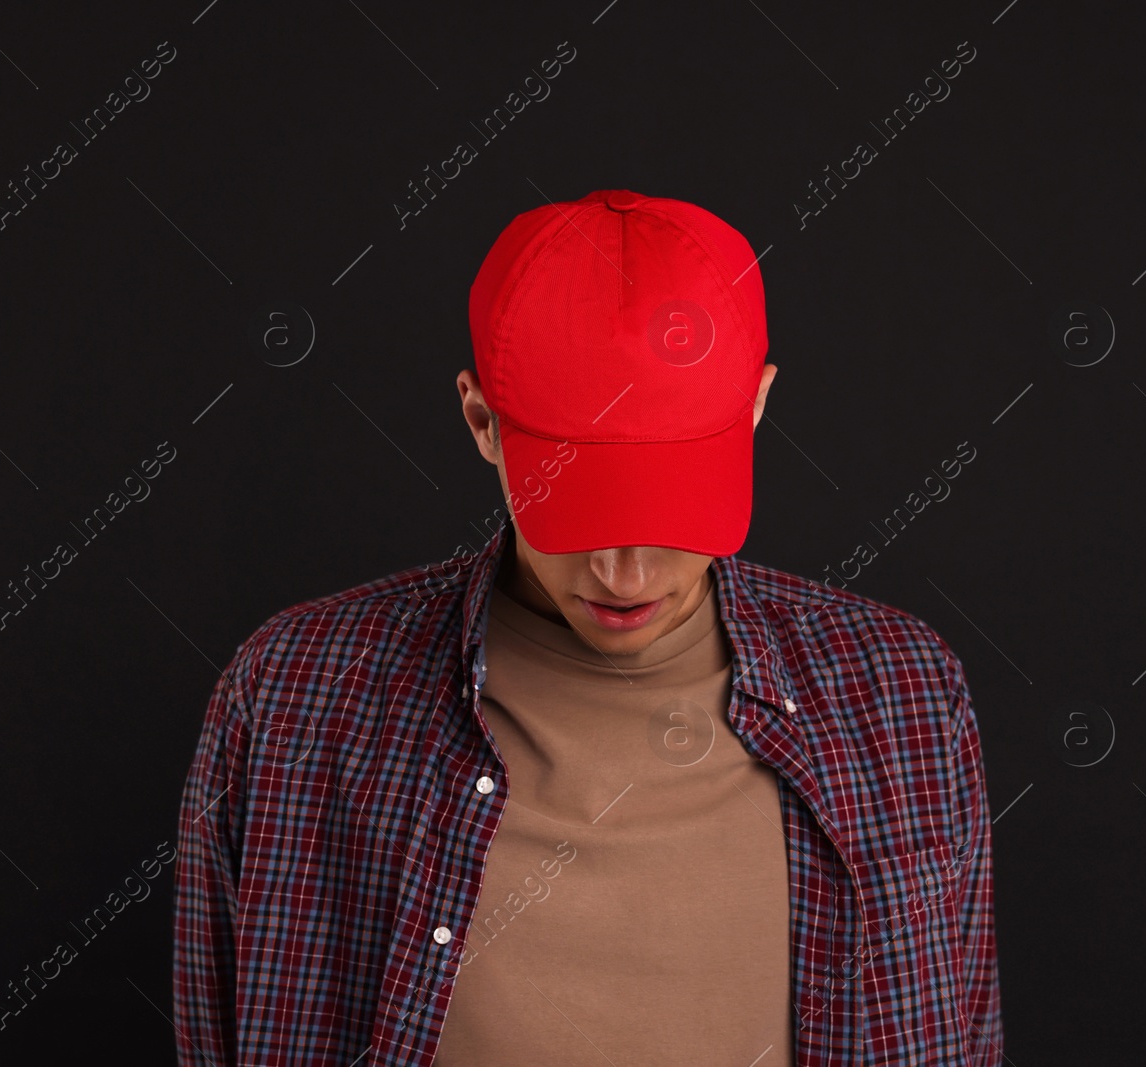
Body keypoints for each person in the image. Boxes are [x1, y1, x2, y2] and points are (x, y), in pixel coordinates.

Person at [172, 188, 1004, 1065]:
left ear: (756, 405)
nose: (624, 574)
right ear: (481, 421)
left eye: (671, 504)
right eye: (580, 513)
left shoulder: (902, 697)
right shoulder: (296, 700)